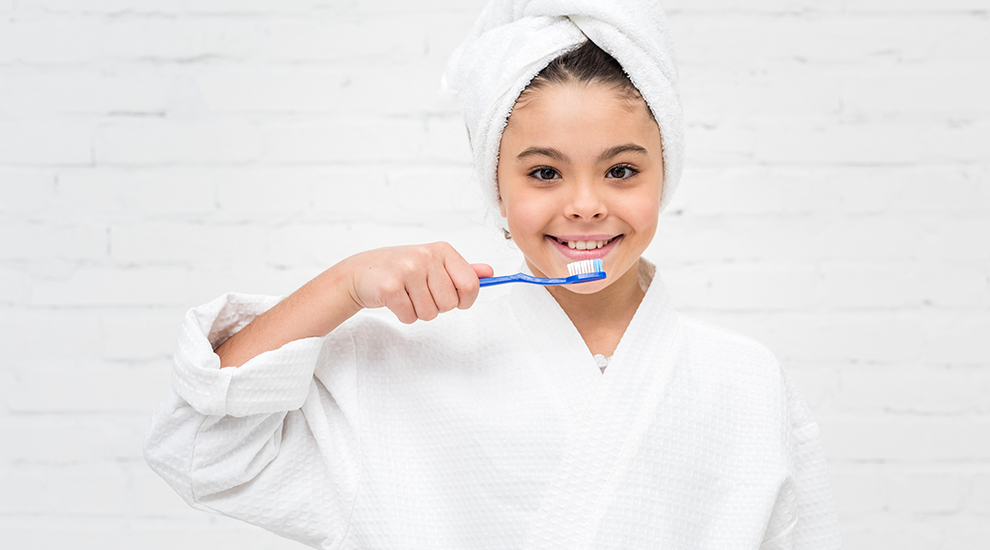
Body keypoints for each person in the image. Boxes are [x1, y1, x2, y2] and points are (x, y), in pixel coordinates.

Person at [144, 1, 842, 548]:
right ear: (497, 188)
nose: (586, 204)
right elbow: (204, 449)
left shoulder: (745, 381)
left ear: (666, 174)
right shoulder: (407, 361)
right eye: (544, 172)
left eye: (622, 170)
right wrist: (344, 285)